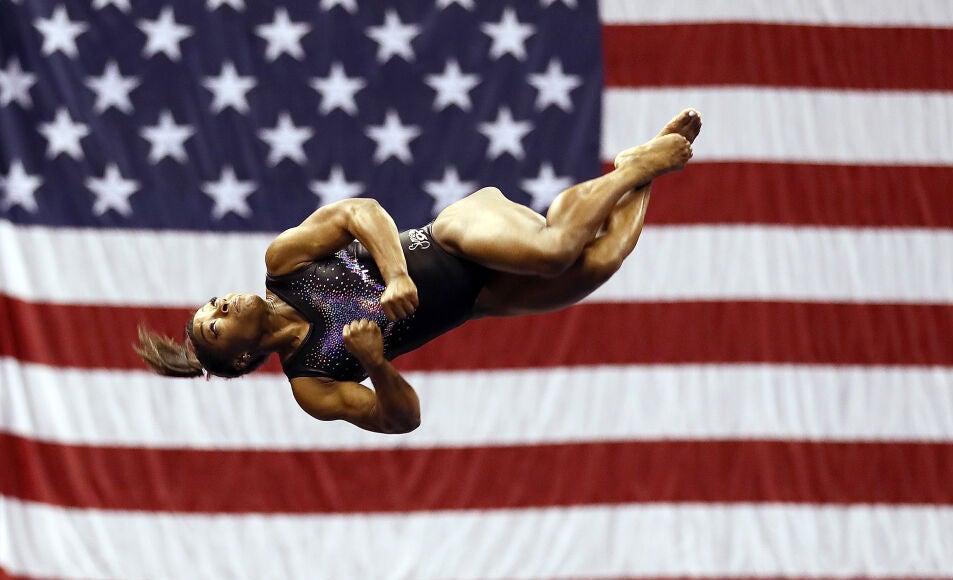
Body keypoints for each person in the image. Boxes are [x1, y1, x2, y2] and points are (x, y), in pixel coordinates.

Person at [136, 109, 702, 434]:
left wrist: (397, 276)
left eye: (211, 303)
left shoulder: (284, 265)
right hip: (483, 297)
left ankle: (632, 168)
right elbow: (401, 419)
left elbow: (360, 211)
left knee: (556, 249)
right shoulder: (311, 381)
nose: (220, 306)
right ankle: (642, 170)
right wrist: (374, 363)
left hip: (455, 233)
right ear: (240, 358)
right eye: (214, 326)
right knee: (603, 259)